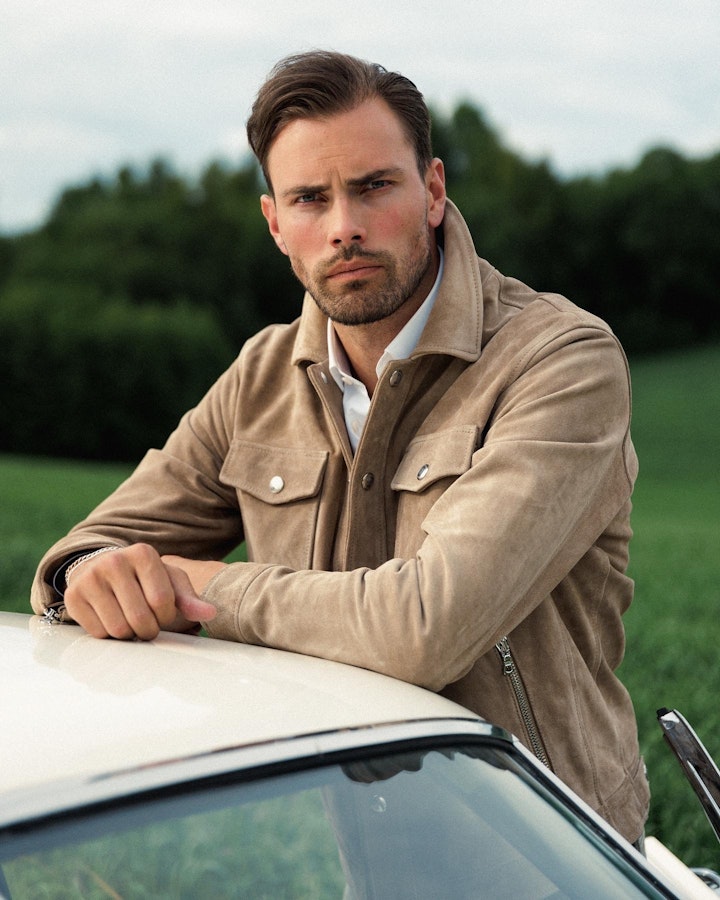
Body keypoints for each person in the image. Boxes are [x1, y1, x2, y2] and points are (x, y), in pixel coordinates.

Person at [32, 50, 650, 844]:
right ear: (275, 224)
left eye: (373, 186)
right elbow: (84, 551)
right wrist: (88, 576)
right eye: (310, 199)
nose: (343, 227)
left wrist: (199, 585)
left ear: (433, 190)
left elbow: (426, 629)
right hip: (362, 851)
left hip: (553, 854)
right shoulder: (261, 376)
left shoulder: (561, 361)